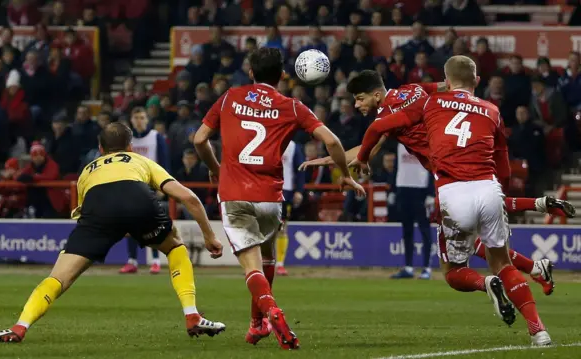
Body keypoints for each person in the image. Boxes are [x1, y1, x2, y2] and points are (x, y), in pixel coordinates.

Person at [300, 70, 574, 297]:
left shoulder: (386, 115)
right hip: (465, 158)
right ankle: (537, 265)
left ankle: (538, 217)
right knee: (476, 229)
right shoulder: (413, 89)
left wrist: (330, 159)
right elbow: (446, 85)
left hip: (448, 172)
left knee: (462, 246)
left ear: (376, 94)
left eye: (359, 99)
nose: (357, 105)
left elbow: (368, 150)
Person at [349, 58, 554, 345]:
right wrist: (503, 195)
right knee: (503, 263)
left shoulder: (429, 103)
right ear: (478, 81)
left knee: (455, 272)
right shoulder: (491, 110)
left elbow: (375, 130)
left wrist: (360, 158)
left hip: (450, 188)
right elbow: (504, 166)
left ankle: (487, 284)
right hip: (488, 186)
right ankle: (539, 330)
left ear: (446, 78)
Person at [0, 123, 226, 343]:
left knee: (60, 277)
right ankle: (191, 315)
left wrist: (111, 227)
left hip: (98, 212)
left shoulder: (88, 170)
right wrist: (209, 236)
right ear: (130, 146)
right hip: (138, 201)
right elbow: (188, 198)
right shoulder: (141, 161)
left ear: (100, 147)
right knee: (174, 247)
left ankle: (19, 327)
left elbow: (83, 213)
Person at [193, 48, 364, 350]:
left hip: (234, 195)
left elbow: (199, 139)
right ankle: (257, 324)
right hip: (271, 198)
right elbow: (333, 142)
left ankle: (271, 312)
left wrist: (214, 169)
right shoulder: (293, 107)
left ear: (250, 73)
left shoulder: (231, 96)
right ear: (283, 75)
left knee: (251, 267)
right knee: (267, 257)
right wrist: (344, 174)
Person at [119, 107, 170, 275]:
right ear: (131, 120)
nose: (139, 120)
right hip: (130, 186)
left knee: (152, 224)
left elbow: (164, 163)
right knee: (130, 224)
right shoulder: (126, 139)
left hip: (150, 187)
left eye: (142, 117)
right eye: (136, 117)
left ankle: (155, 261)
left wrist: (163, 186)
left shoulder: (156, 137)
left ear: (147, 120)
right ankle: (132, 260)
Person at [389, 143, 435, 280]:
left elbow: (433, 167)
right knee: (407, 230)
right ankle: (408, 266)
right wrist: (392, 189)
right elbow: (396, 166)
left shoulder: (425, 142)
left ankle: (426, 268)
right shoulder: (400, 143)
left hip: (420, 189)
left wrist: (431, 193)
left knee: (424, 229)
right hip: (403, 188)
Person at [275, 140, 305, 277]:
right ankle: (261, 262)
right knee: (263, 228)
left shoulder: (292, 146)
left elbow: (300, 168)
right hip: (264, 189)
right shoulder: (264, 138)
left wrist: (299, 190)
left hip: (285, 191)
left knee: (282, 227)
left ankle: (280, 264)